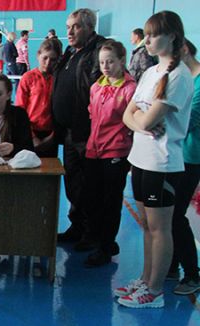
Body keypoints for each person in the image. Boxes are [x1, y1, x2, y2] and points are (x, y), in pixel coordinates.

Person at [118, 11, 193, 308]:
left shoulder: (179, 76)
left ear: (172, 36)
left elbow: (146, 119)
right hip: (139, 159)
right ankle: (145, 279)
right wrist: (140, 122)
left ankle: (155, 290)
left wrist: (140, 120)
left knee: (160, 228)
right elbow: (128, 115)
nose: (146, 41)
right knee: (147, 227)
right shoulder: (150, 73)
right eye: (145, 35)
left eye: (153, 35)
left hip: (161, 164)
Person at [52, 8, 105, 247]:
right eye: (68, 27)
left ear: (90, 27)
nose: (70, 32)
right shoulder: (71, 52)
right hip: (70, 132)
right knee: (74, 183)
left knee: (91, 185)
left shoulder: (99, 51)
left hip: (88, 132)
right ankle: (77, 227)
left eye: (76, 26)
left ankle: (93, 234)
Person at [83, 40, 136, 268]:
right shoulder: (96, 87)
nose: (105, 66)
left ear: (122, 61)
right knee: (92, 198)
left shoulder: (130, 89)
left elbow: (133, 119)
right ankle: (98, 239)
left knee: (111, 201)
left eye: (111, 61)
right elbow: (92, 115)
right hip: (93, 149)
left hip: (116, 150)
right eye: (102, 62)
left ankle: (105, 247)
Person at [169, 39, 200, 295]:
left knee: (176, 215)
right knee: (169, 213)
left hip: (191, 158)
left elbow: (188, 122)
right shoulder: (185, 79)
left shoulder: (197, 82)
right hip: (177, 156)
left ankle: (192, 274)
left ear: (185, 51)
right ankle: (170, 265)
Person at [15, 38, 62, 157]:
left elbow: (62, 108)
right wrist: (32, 137)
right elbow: (20, 110)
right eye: (45, 58)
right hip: (29, 131)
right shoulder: (28, 78)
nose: (48, 63)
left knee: (50, 167)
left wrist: (53, 136)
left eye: (53, 59)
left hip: (51, 134)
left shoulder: (58, 79)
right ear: (38, 55)